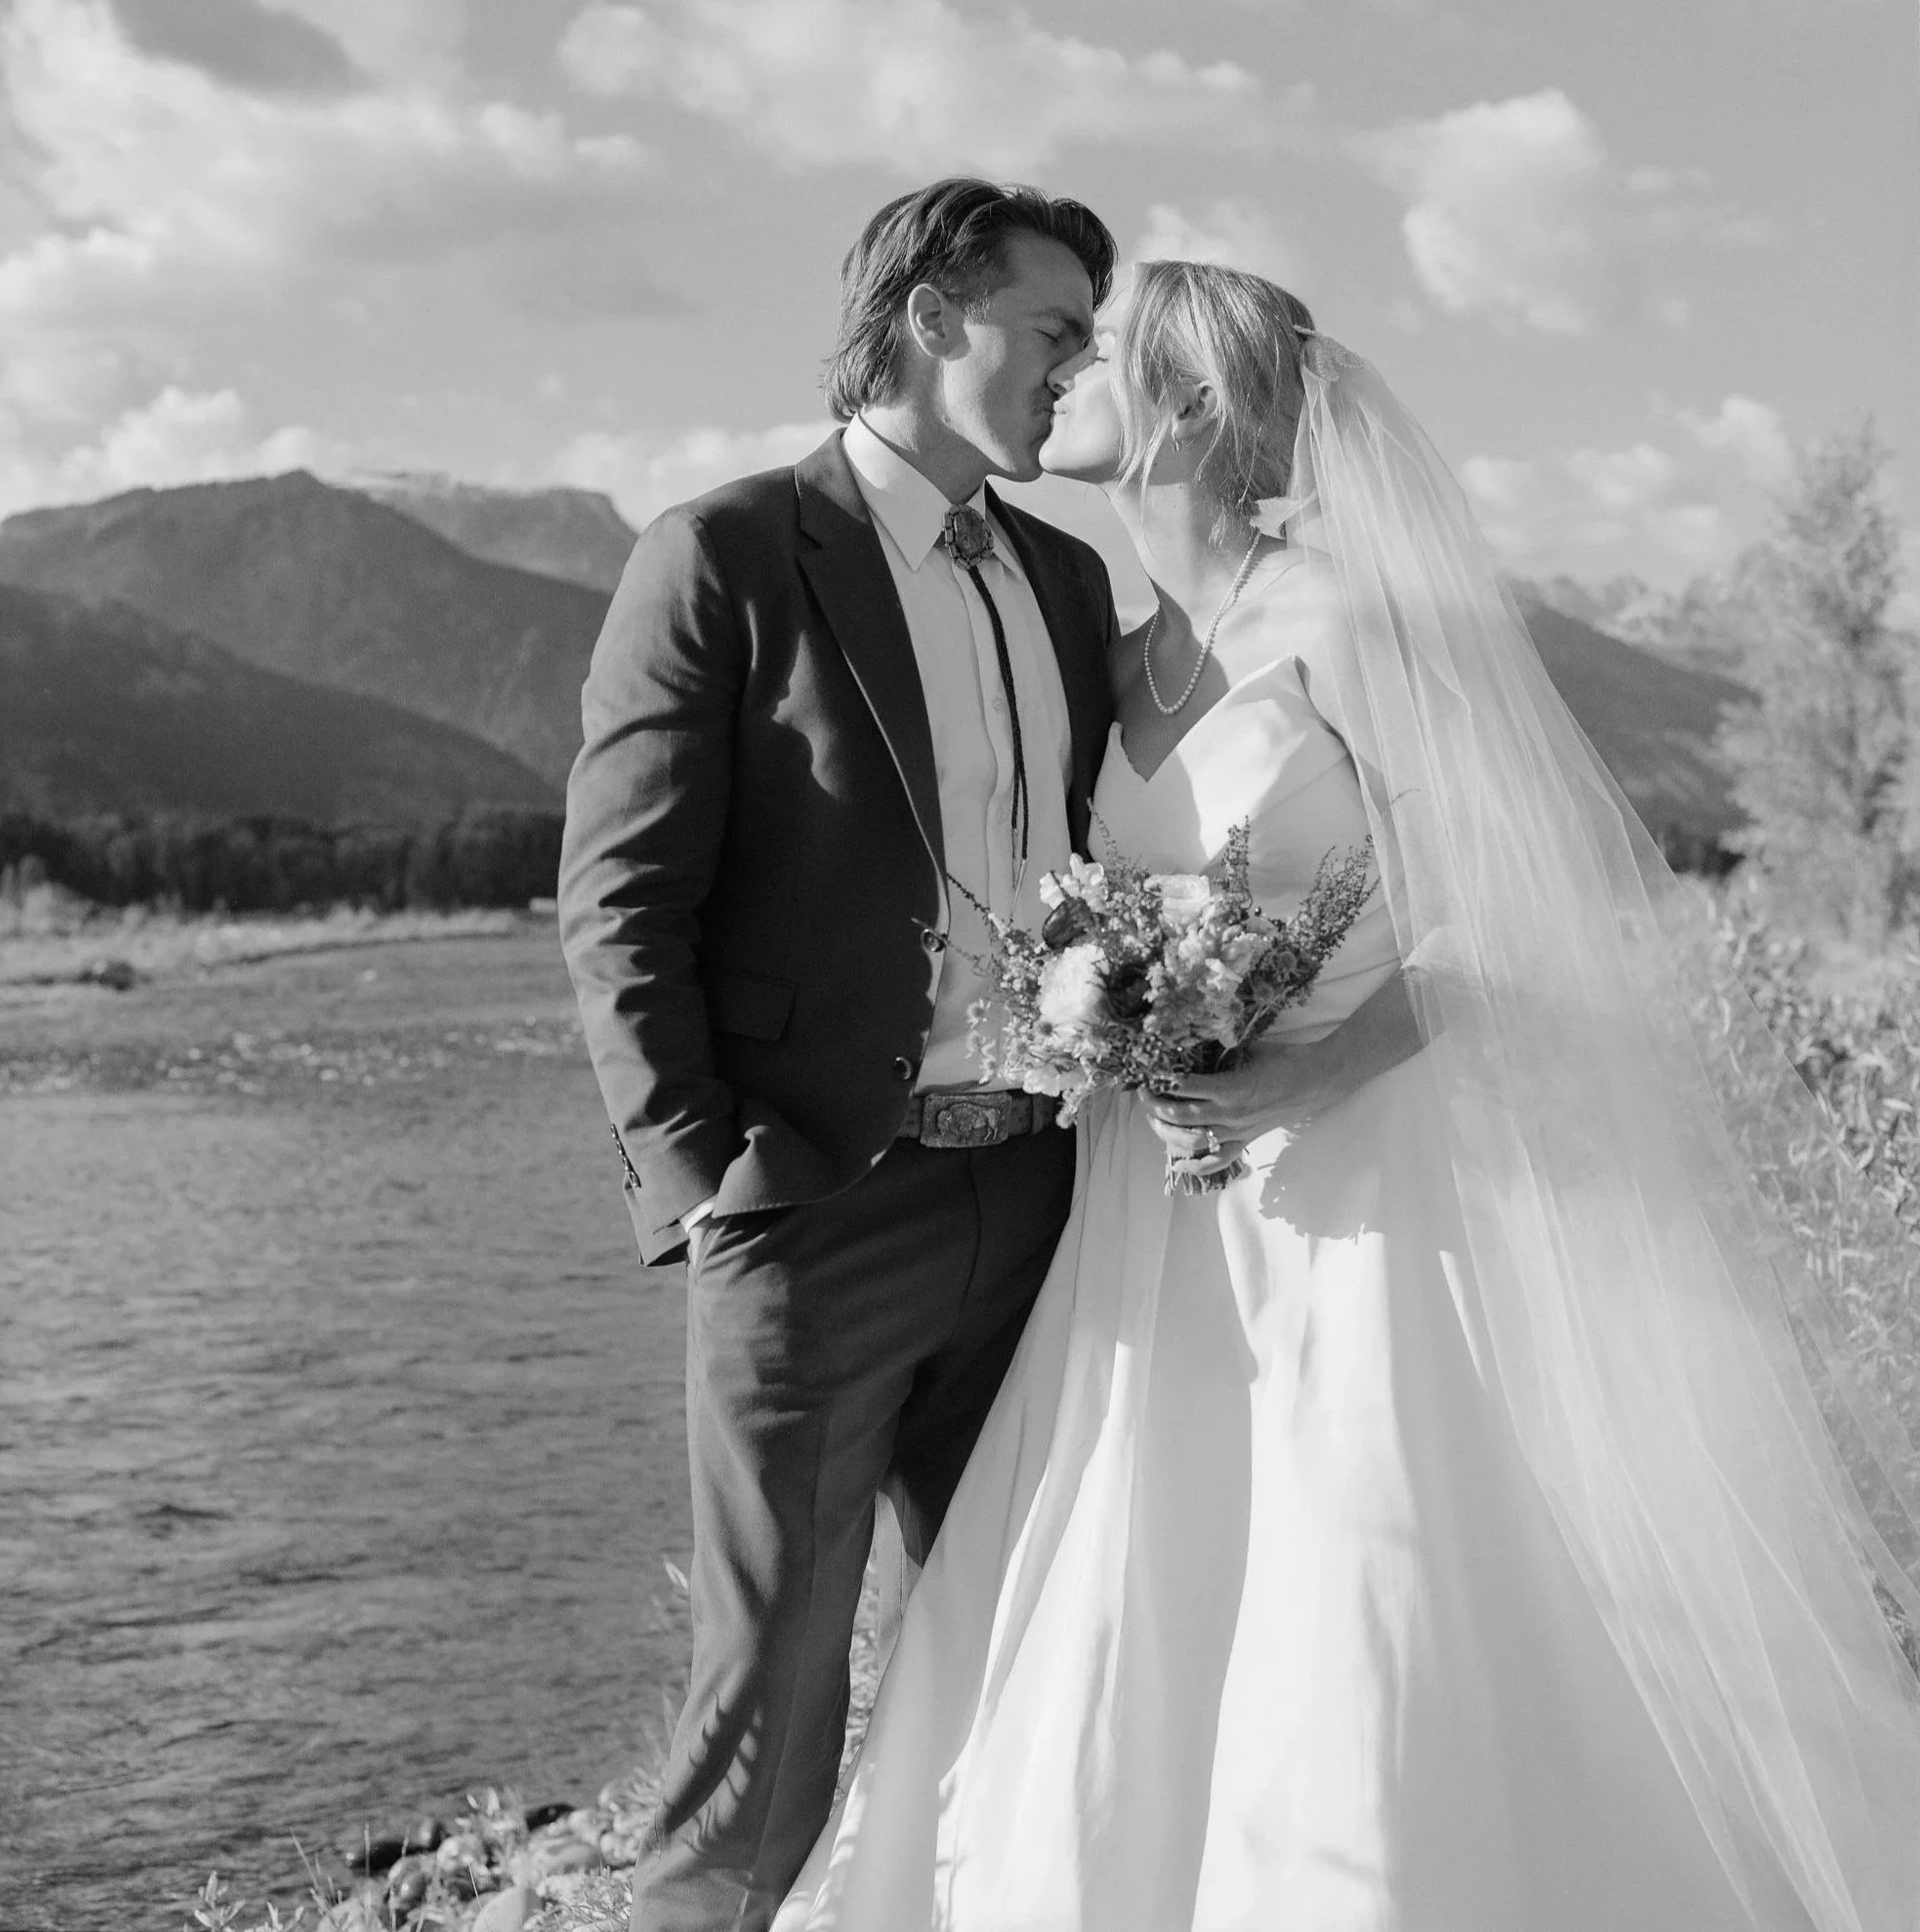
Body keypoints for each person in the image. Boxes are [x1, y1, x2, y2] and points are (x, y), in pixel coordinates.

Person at [774, 262, 1920, 1930]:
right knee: (1142, 1573)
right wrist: (1105, 1017)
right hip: (1149, 1201)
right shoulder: (1123, 643)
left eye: (1099, 352)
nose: (1065, 372)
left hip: (1354, 1174)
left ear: (1183, 408)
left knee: (1357, 1557)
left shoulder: (1341, 623)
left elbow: (1499, 911)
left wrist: (1304, 1062)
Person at [556, 178, 1118, 1931]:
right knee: (764, 1734)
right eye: (1051, 333)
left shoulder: (1070, 580)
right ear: (934, 316)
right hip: (817, 1215)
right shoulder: (722, 553)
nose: (1073, 373)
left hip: (1048, 1205)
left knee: (1040, 1664)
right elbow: (619, 904)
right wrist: (707, 1190)